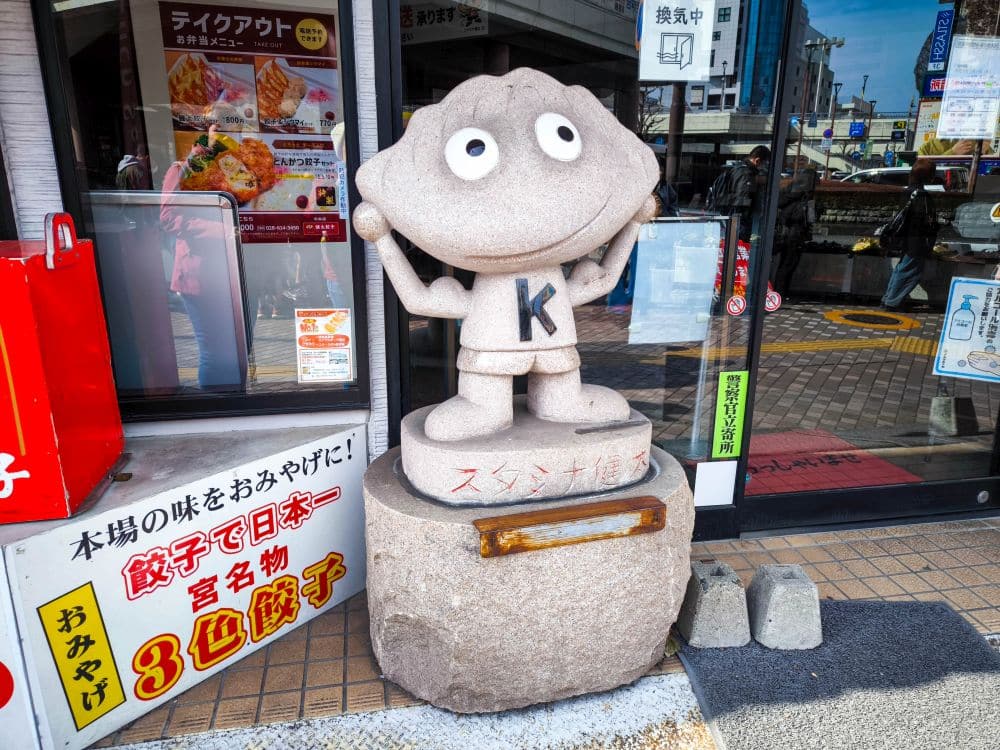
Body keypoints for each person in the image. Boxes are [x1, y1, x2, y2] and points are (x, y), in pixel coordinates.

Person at [880, 158, 939, 311]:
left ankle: (888, 299)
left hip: (905, 239)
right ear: (928, 176)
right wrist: (929, 242)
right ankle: (892, 303)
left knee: (901, 269)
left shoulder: (908, 191)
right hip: (917, 241)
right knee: (908, 272)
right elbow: (924, 223)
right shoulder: (922, 196)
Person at [708, 145, 771, 242]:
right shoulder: (746, 175)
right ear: (757, 161)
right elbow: (742, 204)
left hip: (729, 221)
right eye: (764, 164)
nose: (764, 169)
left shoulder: (737, 168)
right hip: (738, 225)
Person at [773, 167, 817, 298]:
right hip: (794, 234)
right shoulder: (804, 194)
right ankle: (780, 293)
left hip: (788, 233)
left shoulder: (791, 190)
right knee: (788, 264)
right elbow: (809, 217)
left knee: (785, 264)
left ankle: (779, 292)